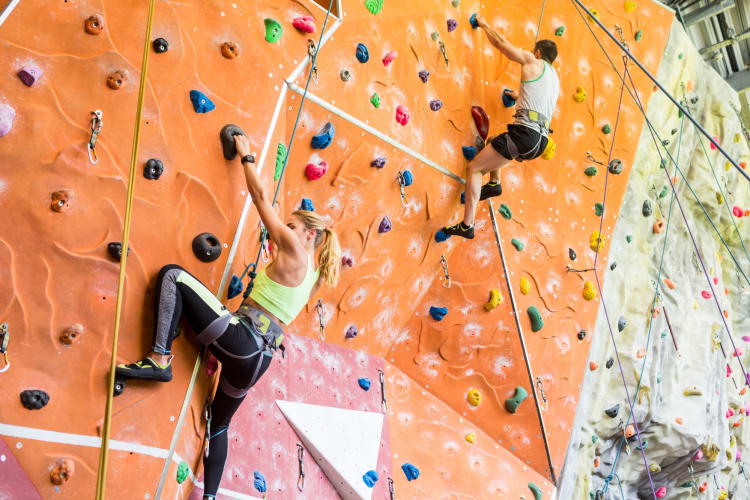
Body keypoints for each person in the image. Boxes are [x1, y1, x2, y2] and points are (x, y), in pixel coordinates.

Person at [115, 134, 341, 499]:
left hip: (244, 340)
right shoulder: (314, 276)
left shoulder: (297, 249)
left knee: (173, 275)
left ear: (309, 234)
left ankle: (159, 358)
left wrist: (246, 155)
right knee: (219, 425)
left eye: (294, 226)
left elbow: (261, 199)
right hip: (258, 361)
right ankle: (209, 496)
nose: (288, 230)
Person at [441, 16, 560, 239]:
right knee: (495, 140)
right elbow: (539, 101)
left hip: (526, 134)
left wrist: (484, 24)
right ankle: (494, 184)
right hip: (539, 141)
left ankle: (467, 225)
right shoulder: (554, 78)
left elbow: (500, 43)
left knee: (474, 168)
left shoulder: (532, 62)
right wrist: (517, 96)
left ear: (537, 53)